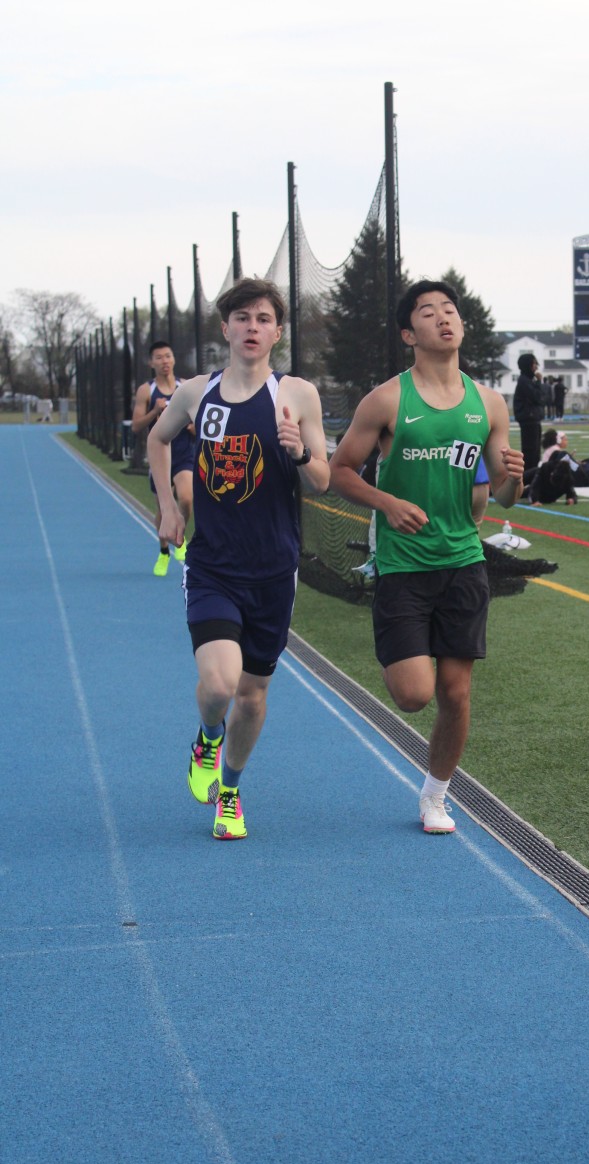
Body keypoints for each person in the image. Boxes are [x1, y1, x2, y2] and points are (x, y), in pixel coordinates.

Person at [329, 280, 524, 833]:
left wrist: (515, 478)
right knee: (414, 695)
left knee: (456, 693)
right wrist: (387, 503)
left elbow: (504, 496)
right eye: (428, 312)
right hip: (403, 566)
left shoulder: (489, 403)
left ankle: (435, 796)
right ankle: (397, 651)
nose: (443, 318)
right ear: (408, 334)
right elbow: (340, 471)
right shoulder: (387, 399)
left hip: (463, 561)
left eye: (450, 310)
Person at [149, 278, 330, 840]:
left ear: (278, 332)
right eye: (243, 318)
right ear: (225, 328)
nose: (253, 327)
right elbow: (158, 440)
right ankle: (207, 738)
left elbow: (323, 480)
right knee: (220, 685)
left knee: (251, 697)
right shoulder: (195, 393)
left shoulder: (296, 395)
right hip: (213, 567)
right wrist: (168, 508)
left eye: (264, 319)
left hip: (274, 571)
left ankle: (229, 791)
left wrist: (300, 451)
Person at [132, 341, 196, 575]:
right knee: (163, 507)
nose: (164, 361)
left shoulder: (185, 387)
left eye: (167, 356)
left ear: (173, 359)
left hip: (184, 454)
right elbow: (136, 426)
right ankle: (163, 552)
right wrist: (154, 411)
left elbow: (200, 421)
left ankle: (180, 536)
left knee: (186, 498)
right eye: (158, 358)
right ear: (151, 363)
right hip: (160, 456)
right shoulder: (146, 391)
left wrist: (194, 427)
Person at [513, 352, 544, 475]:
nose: (536, 366)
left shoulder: (527, 380)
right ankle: (529, 476)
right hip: (529, 420)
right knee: (531, 452)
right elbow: (537, 397)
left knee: (534, 452)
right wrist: (539, 382)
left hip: (532, 419)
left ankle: (531, 475)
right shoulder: (524, 381)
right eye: (534, 363)